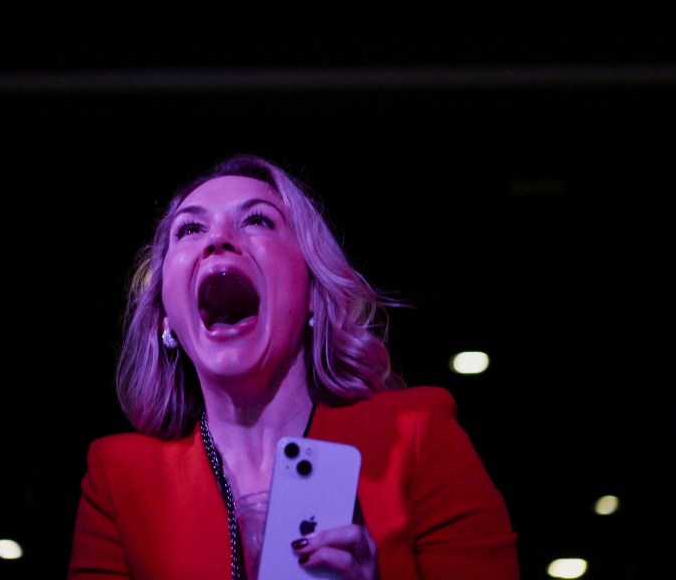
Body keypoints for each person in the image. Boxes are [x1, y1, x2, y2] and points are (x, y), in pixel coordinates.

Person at [68, 153, 519, 580]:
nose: (218, 240)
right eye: (189, 231)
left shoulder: (417, 439)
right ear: (166, 317)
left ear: (312, 297)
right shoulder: (118, 478)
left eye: (258, 220)